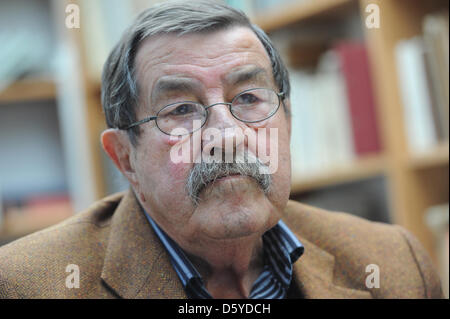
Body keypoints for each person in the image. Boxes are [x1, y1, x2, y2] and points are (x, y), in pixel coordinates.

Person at [0, 1, 443, 299]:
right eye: (180, 109)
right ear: (125, 157)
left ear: (286, 123)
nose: (226, 135)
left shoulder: (393, 264)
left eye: (249, 99)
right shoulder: (25, 285)